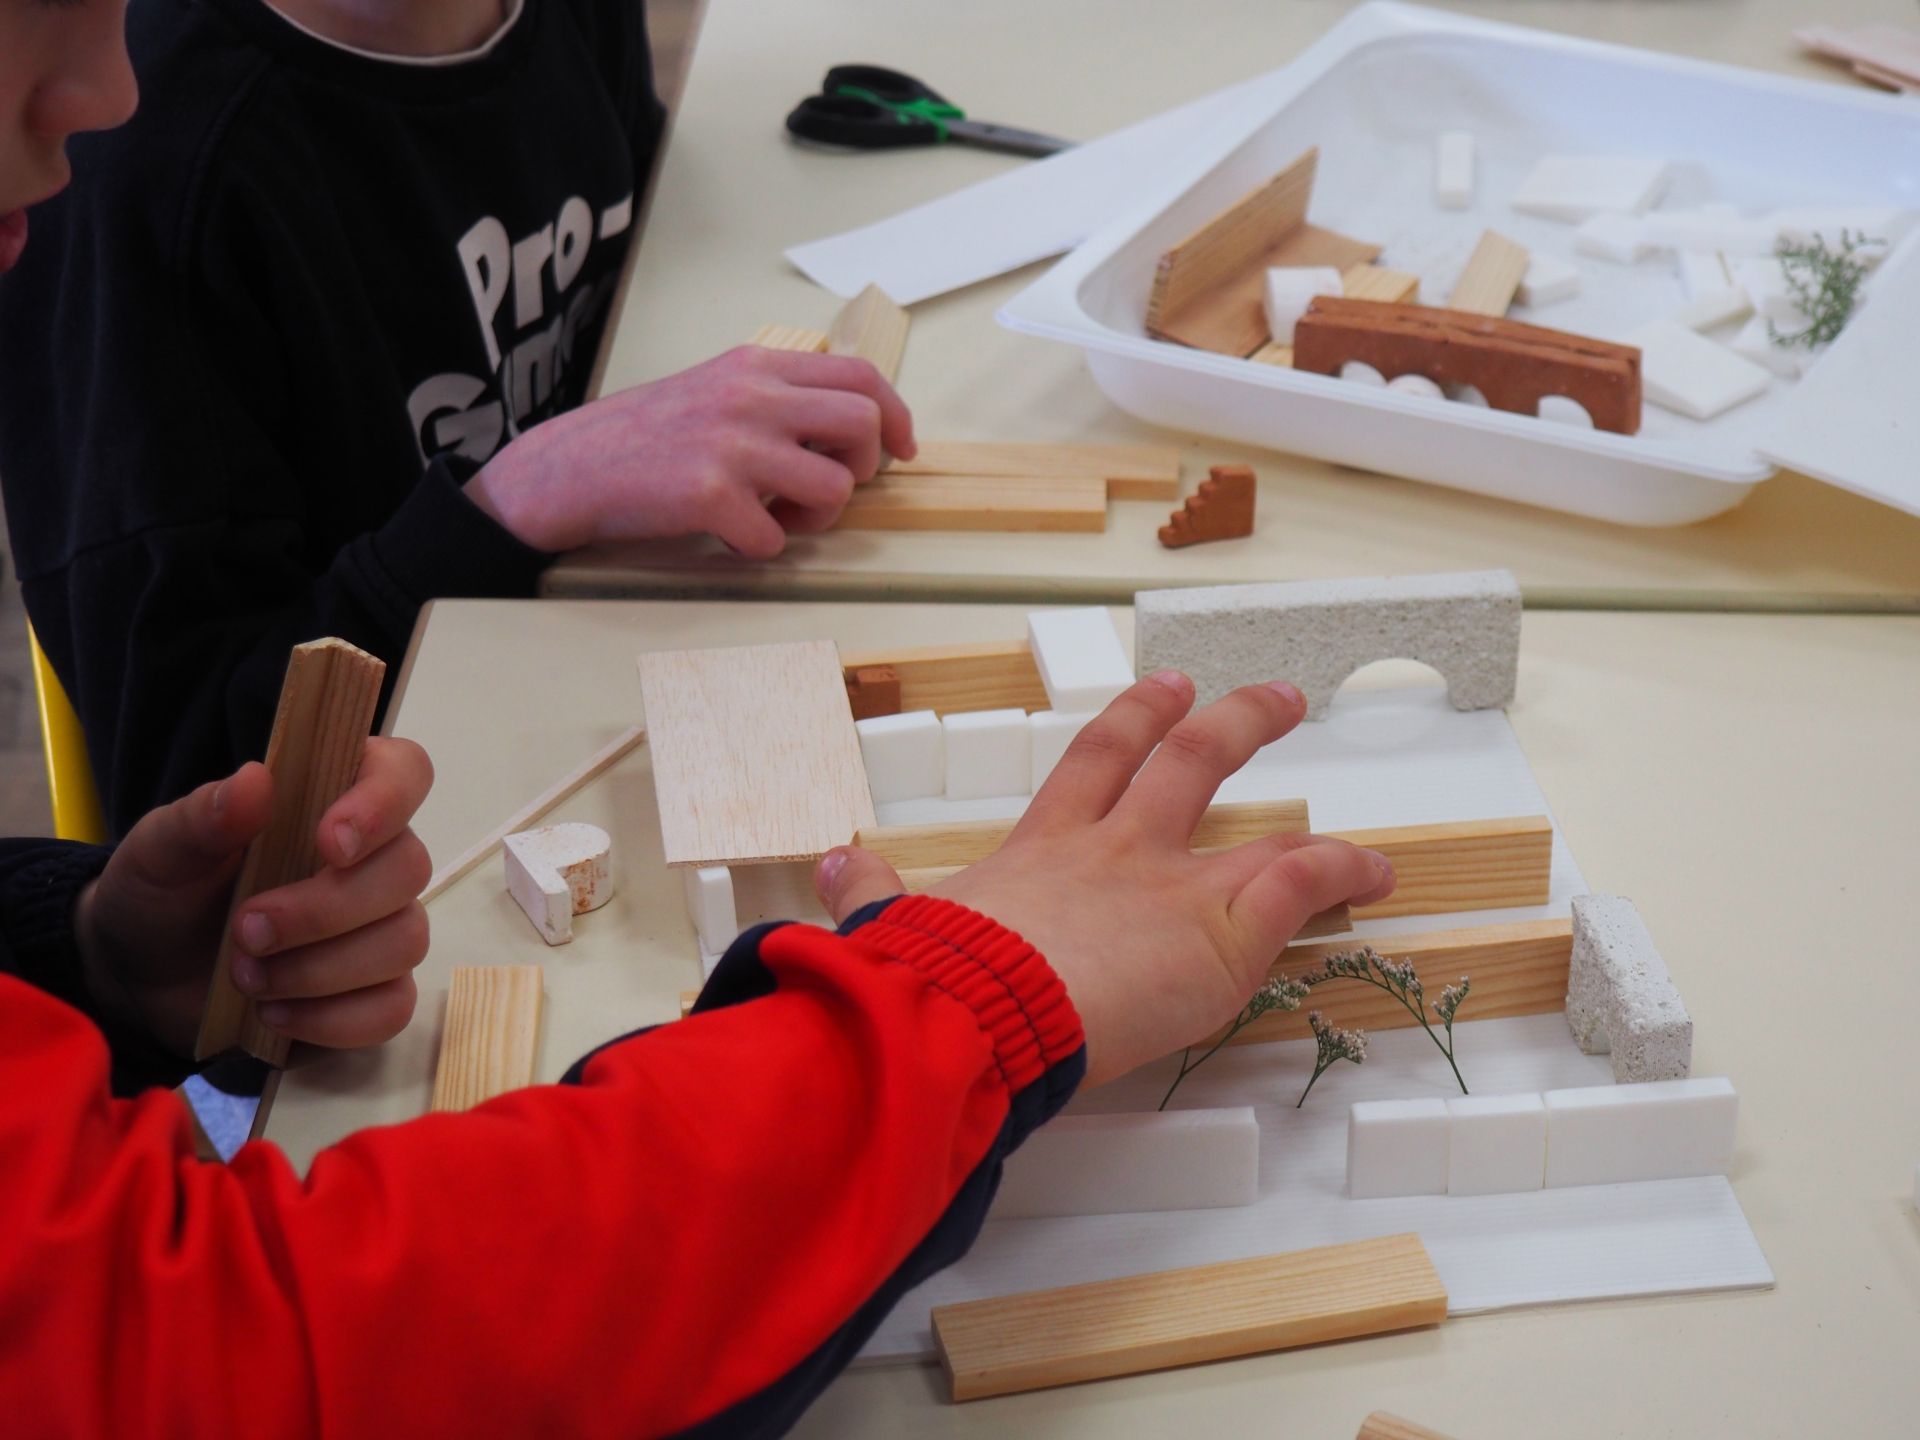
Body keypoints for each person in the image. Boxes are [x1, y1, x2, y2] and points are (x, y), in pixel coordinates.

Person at [1, 4, 1398, 1434]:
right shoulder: (150, 187)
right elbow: (250, 1350)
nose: (102, 84)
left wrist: (89, 945)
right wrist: (975, 1001)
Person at [0, 0, 915, 836]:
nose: (103, 85)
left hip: (582, 663)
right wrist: (509, 503)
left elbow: (628, 274)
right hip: (402, 823)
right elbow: (190, 796)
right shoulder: (145, 181)